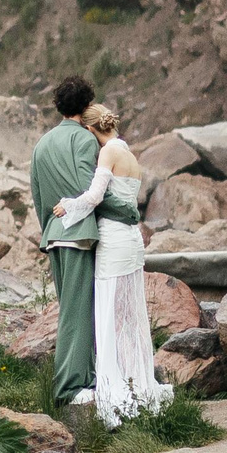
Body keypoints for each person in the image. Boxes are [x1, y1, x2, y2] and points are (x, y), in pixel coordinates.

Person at [52, 97, 174, 426]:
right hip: (132, 238)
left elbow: (94, 196)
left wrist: (67, 207)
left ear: (91, 129)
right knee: (131, 314)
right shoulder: (127, 151)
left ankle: (115, 390)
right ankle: (139, 382)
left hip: (114, 241)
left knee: (109, 312)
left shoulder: (107, 152)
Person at [29, 76, 142, 410]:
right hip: (77, 235)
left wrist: (50, 230)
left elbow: (38, 197)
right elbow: (86, 191)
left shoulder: (41, 144)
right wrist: (127, 210)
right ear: (86, 105)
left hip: (53, 235)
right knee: (78, 313)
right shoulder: (85, 140)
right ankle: (70, 387)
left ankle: (85, 377)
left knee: (70, 309)